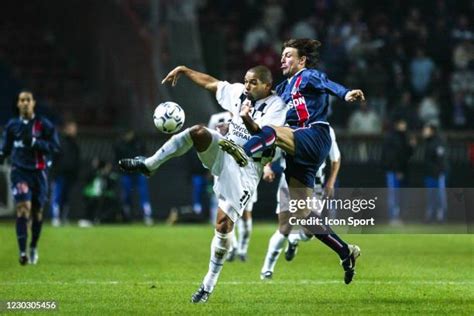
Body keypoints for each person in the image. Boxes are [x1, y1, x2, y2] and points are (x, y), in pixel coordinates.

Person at [118, 65, 287, 303]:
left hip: (247, 167)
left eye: (253, 83)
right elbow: (212, 83)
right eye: (246, 81)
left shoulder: (277, 106)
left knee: (223, 226)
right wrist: (185, 71)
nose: (247, 86)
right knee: (198, 131)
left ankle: (208, 285)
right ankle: (150, 164)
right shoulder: (240, 93)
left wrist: (247, 118)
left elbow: (264, 137)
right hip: (225, 151)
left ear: (267, 86)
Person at [219, 39, 364, 284]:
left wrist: (346, 93)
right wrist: (235, 122)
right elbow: (261, 110)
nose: (283, 60)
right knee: (305, 215)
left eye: (288, 56)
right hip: (297, 151)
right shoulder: (284, 89)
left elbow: (329, 85)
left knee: (273, 132)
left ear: (302, 60)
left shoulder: (309, 76)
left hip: (315, 135)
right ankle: (345, 251)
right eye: (282, 55)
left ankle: (241, 153)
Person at [260, 126, 341, 279]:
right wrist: (267, 167)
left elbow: (335, 158)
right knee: (284, 227)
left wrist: (330, 183)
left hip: (315, 186)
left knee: (312, 231)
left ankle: (294, 238)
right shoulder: (290, 127)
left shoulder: (326, 129)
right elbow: (270, 150)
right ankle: (266, 270)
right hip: (289, 184)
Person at [0, 90, 60, 265]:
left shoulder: (44, 125)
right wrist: (2, 154)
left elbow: (55, 147)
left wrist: (35, 143)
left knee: (37, 213)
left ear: (33, 103)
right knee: (23, 208)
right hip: (19, 172)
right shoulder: (12, 126)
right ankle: (22, 252)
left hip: (39, 173)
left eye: (28, 100)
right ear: (18, 104)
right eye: (21, 100)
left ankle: (33, 246)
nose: (25, 103)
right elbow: (6, 148)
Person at [115, 130, 154, 225]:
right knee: (126, 195)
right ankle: (127, 216)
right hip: (126, 173)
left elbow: (145, 156)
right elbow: (118, 159)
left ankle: (147, 216)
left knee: (144, 195)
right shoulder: (120, 144)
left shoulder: (139, 143)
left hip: (139, 172)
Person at [381, 118, 416, 224]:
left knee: (400, 194)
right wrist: (397, 170)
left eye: (404, 124)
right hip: (393, 170)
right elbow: (391, 156)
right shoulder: (392, 137)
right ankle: (393, 217)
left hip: (402, 170)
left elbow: (407, 155)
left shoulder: (405, 137)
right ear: (396, 125)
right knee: (393, 194)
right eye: (401, 123)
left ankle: (399, 216)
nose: (403, 126)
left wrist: (412, 146)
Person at [50, 120, 81, 227]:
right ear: (66, 129)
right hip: (60, 174)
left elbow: (76, 160)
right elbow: (54, 158)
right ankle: (55, 218)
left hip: (70, 175)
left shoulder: (75, 144)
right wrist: (54, 173)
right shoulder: (60, 142)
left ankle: (64, 217)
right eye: (73, 128)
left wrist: (75, 173)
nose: (75, 130)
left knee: (66, 198)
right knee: (57, 196)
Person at [422, 123, 448, 222]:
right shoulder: (428, 142)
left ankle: (441, 216)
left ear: (432, 131)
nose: (424, 131)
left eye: (426, 129)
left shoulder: (438, 142)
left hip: (437, 174)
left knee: (440, 195)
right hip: (429, 173)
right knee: (430, 195)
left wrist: (440, 172)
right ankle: (430, 215)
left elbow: (441, 160)